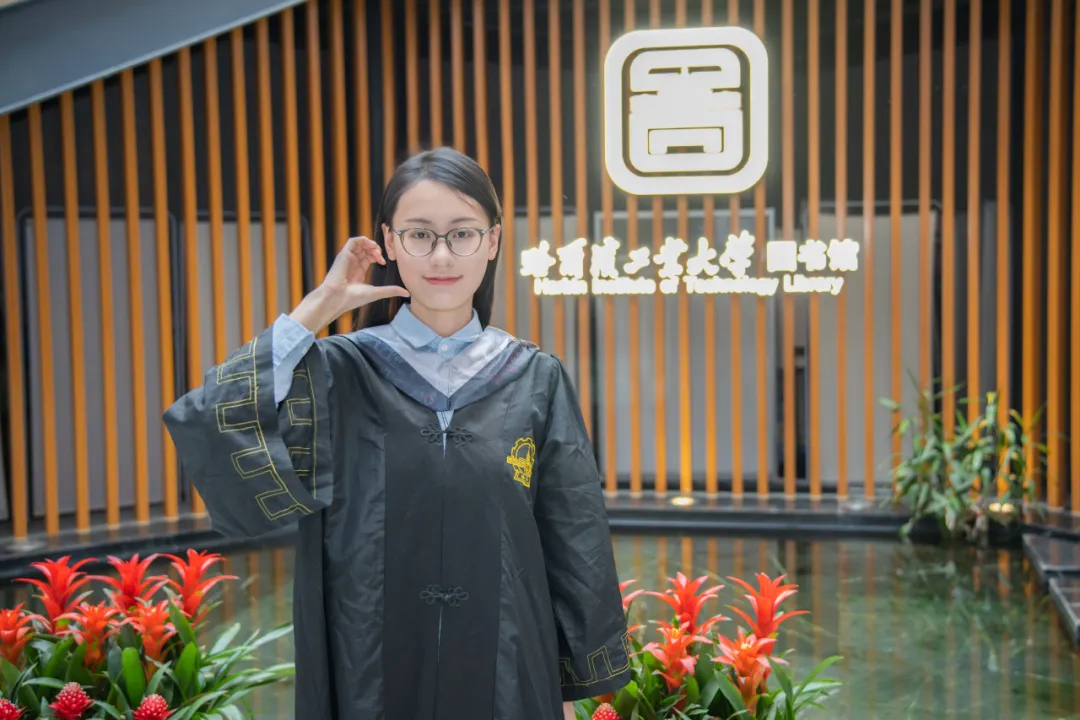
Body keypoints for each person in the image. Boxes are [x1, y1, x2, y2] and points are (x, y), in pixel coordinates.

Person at [164, 148, 631, 719]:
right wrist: (316, 310)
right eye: (419, 235)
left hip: (506, 668)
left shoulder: (534, 376)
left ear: (493, 241)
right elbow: (214, 413)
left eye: (463, 233)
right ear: (389, 240)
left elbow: (574, 533)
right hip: (368, 664)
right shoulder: (336, 371)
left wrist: (568, 684)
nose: (442, 255)